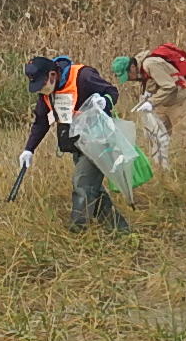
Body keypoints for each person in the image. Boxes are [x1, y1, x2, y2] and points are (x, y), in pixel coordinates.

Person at [19, 55, 130, 232]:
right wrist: (29, 149)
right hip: (77, 144)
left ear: (53, 75)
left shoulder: (83, 76)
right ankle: (119, 230)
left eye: (42, 84)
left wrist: (104, 102)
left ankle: (77, 231)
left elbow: (112, 91)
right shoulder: (47, 93)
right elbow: (41, 121)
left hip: (99, 140)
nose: (41, 89)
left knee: (82, 184)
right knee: (92, 188)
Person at [113, 46, 186, 176]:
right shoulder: (141, 71)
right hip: (163, 103)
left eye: (127, 75)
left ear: (132, 67)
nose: (129, 79)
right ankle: (161, 175)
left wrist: (151, 102)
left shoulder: (151, 64)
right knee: (156, 138)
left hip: (180, 101)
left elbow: (169, 86)